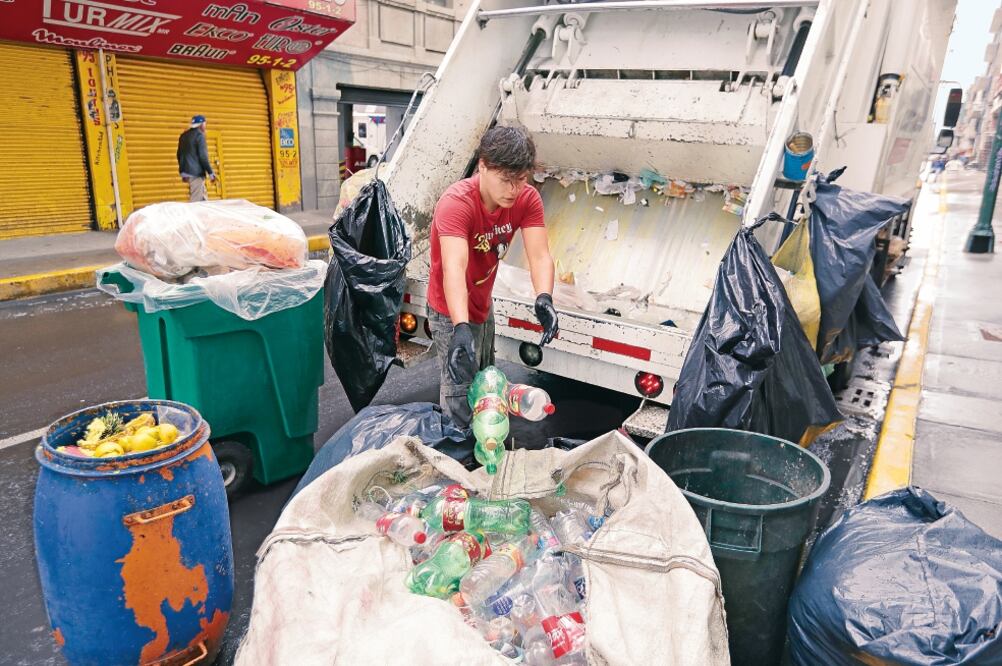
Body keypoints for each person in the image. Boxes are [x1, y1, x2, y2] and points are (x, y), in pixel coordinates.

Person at [426, 126, 558, 429]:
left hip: (483, 305)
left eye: (521, 179)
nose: (513, 190)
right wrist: (460, 326)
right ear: (483, 166)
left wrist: (544, 297)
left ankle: (485, 443)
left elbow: (539, 255)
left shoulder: (527, 198)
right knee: (460, 393)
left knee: (487, 383)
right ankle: (455, 449)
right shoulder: (457, 203)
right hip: (450, 309)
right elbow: (454, 268)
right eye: (506, 180)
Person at [176, 114, 216, 202]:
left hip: (187, 171)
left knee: (203, 198)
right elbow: (203, 157)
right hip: (196, 173)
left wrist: (183, 172)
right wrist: (210, 173)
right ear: (201, 124)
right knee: (196, 201)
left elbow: (179, 154)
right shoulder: (199, 136)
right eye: (205, 124)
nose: (205, 126)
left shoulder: (183, 136)